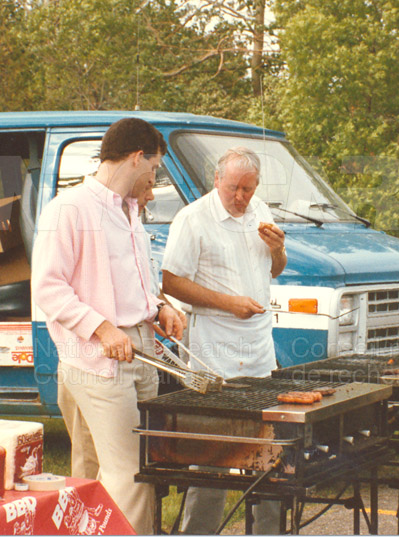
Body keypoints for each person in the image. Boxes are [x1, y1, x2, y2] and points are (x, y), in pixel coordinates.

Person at [31, 117, 185, 534]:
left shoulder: (130, 211)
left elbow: (130, 283)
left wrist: (159, 307)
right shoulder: (69, 208)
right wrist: (101, 329)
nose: (154, 176)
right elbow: (47, 287)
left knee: (106, 470)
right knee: (131, 472)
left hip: (141, 350)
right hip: (98, 356)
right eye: (154, 167)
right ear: (137, 158)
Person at [161, 146, 287, 534]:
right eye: (234, 187)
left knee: (269, 452)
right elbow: (171, 282)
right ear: (217, 180)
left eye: (248, 189)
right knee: (211, 454)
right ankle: (199, 531)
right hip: (214, 351)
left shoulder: (260, 211)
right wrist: (228, 303)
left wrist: (278, 248)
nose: (241, 197)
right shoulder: (193, 218)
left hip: (260, 352)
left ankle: (269, 531)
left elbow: (276, 269)